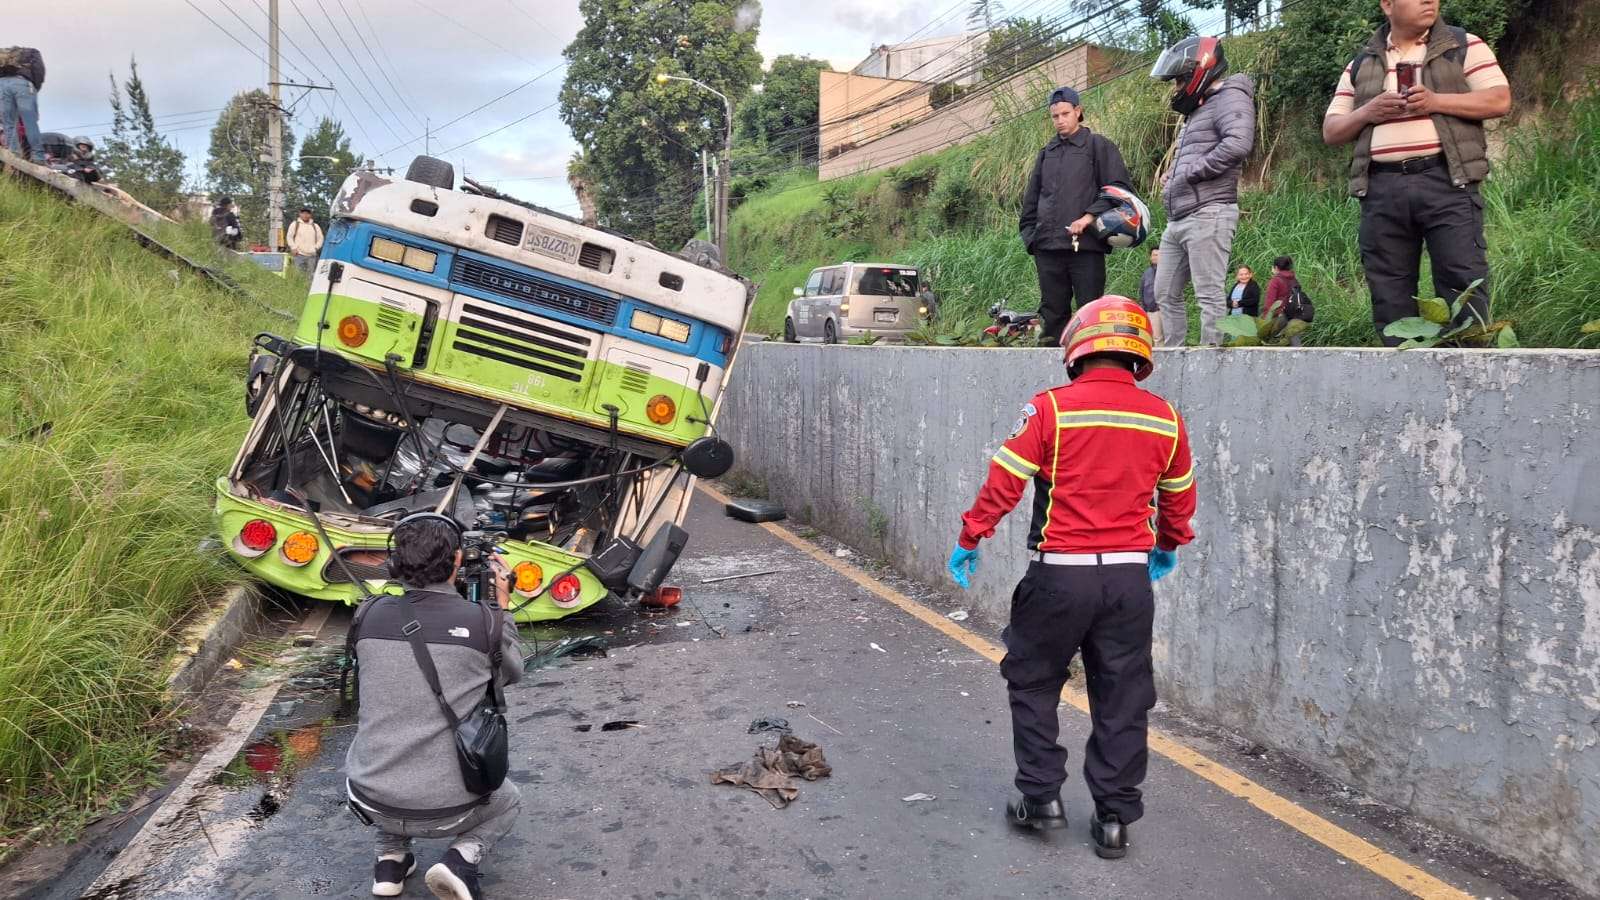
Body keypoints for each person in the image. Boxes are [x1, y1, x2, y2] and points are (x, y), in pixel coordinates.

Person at [946, 295, 1196, 859]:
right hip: (1130, 583)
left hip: (1059, 577)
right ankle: (1113, 818)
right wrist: (1168, 544)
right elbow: (1178, 497)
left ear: (1077, 348)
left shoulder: (1050, 410)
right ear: (1138, 353)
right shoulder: (1165, 417)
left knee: (1034, 683)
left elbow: (1005, 480)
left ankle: (1041, 801)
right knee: (1123, 695)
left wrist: (970, 537)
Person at [345, 513, 523, 900]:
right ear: (458, 560)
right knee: (509, 799)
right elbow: (512, 673)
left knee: (387, 731)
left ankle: (389, 861)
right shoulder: (483, 622)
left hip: (368, 797)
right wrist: (503, 609)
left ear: (394, 564)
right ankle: (461, 859)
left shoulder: (367, 614)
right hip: (449, 810)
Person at [1322, 0, 1510, 346]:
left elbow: (1499, 99)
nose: (1430, 0)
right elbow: (1332, 130)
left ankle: (1468, 378)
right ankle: (1403, 382)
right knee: (1389, 292)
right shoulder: (1361, 62)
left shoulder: (1463, 44)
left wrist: (1436, 101)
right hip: (1380, 188)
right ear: (1388, 4)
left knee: (1462, 280)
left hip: (1447, 181)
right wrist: (1369, 111)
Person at [1149, 36, 1256, 346]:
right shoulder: (1199, 108)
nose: (1176, 87)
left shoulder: (1231, 97)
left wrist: (1192, 172)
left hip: (1209, 212)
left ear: (1200, 70)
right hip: (1180, 216)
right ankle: (1175, 355)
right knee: (1164, 291)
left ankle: (1212, 362)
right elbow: (1197, 152)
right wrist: (1173, 173)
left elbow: (1237, 144)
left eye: (1179, 80)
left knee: (1208, 294)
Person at [1019, 86, 1134, 345]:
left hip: (1087, 247)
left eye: (1065, 114)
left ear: (1078, 111)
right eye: (1055, 116)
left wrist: (1088, 217)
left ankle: (1088, 368)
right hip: (1047, 247)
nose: (1060, 120)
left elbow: (1118, 189)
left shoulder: (1097, 146)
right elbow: (1031, 199)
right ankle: (1052, 368)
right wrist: (1031, 238)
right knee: (1052, 313)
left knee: (1090, 312)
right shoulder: (1046, 153)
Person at [0, 46, 46, 163]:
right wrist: (35, 87)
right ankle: (38, 157)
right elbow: (39, 70)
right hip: (23, 83)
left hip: (2, 84)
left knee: (8, 122)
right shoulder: (32, 52)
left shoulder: (2, 55)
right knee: (29, 122)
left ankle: (13, 154)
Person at [1264, 256, 1306, 346]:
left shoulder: (1275, 281)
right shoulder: (1294, 280)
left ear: (1276, 268)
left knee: (1269, 340)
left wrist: (1266, 318)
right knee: (1295, 342)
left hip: (1280, 314)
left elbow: (1270, 302)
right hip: (1295, 313)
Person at [287, 207, 325, 276]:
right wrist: (293, 247)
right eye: (303, 213)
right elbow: (289, 237)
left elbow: (321, 238)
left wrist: (316, 248)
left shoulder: (315, 226)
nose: (305, 215)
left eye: (307, 213)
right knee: (297, 275)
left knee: (310, 276)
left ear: (310, 215)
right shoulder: (295, 224)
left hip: (312, 256)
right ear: (300, 214)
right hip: (298, 254)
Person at [1138, 247, 1164, 344]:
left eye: (1158, 255)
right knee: (1156, 338)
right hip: (1152, 310)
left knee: (1170, 337)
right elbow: (1142, 291)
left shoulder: (1167, 271)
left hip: (1165, 308)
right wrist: (1144, 308)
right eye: (1153, 255)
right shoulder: (1147, 273)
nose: (1155, 257)